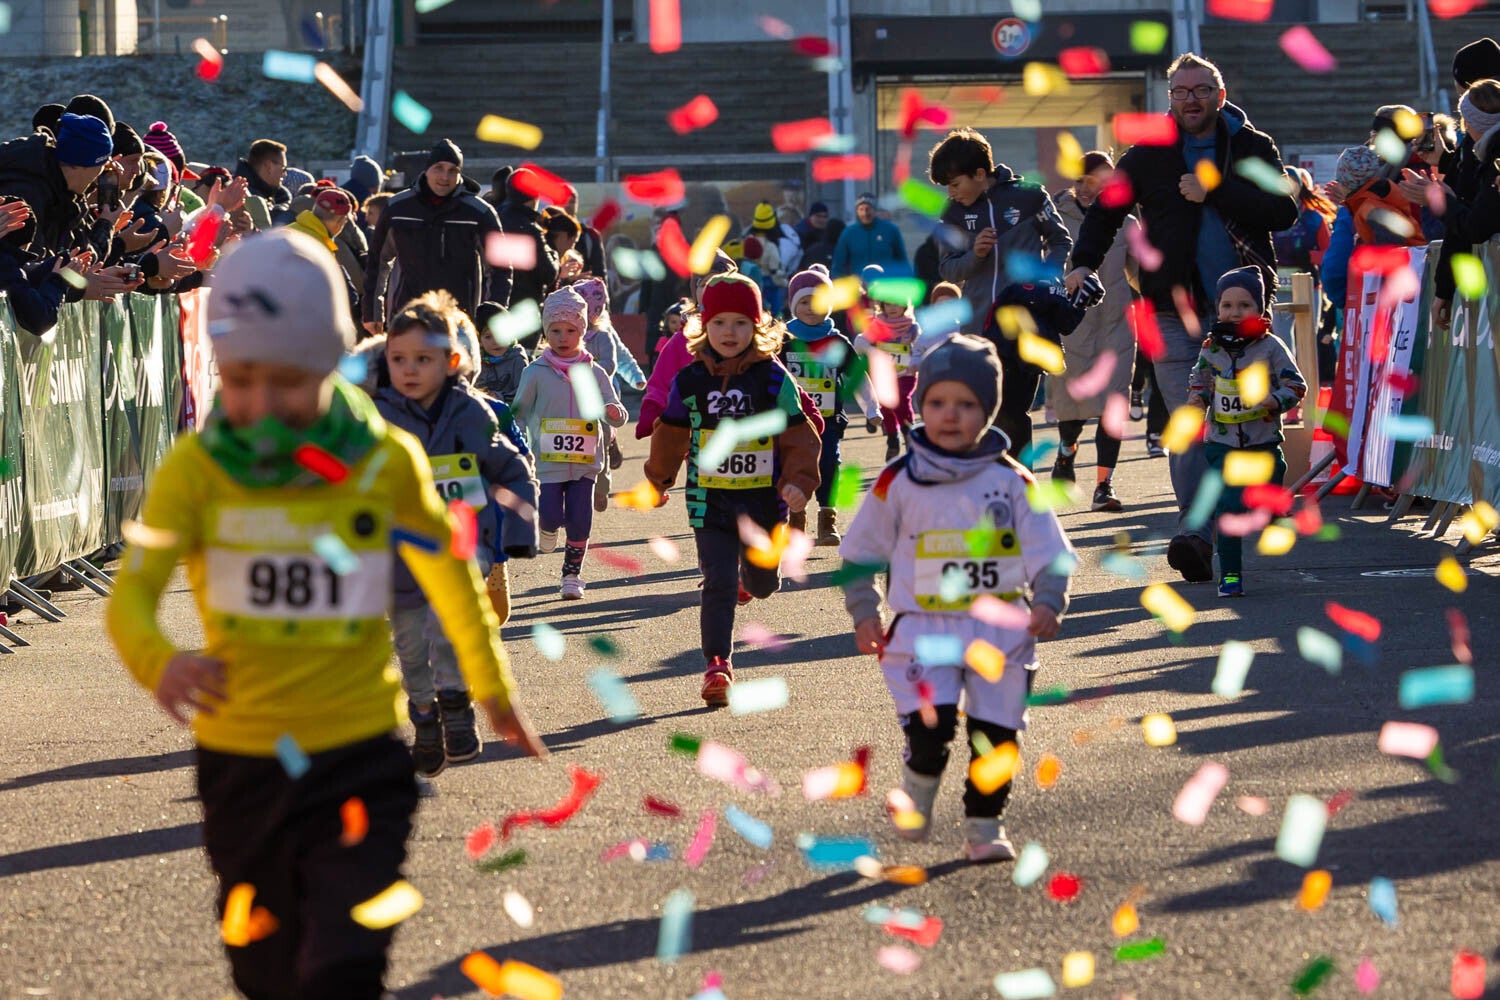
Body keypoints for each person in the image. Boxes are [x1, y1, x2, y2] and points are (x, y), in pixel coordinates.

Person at [104, 230, 546, 1000]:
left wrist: (491, 687)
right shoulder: (198, 470)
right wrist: (160, 661)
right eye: (239, 379)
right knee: (265, 969)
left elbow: (449, 577)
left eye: (288, 380)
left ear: (330, 364)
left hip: (357, 749)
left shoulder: (382, 459)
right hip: (242, 759)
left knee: (345, 962)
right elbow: (131, 599)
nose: (262, 403)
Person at [838, 334, 1073, 862]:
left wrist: (1048, 599)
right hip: (924, 628)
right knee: (932, 725)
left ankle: (985, 826)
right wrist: (864, 611)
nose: (950, 414)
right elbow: (861, 552)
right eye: (938, 402)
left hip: (1001, 629)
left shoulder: (1012, 480)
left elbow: (1048, 548)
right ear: (920, 406)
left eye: (966, 404)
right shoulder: (897, 480)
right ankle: (917, 794)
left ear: (987, 412)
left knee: (997, 735)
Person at [1066, 52, 1298, 584]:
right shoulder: (1148, 154)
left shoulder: (1251, 146)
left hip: (1243, 320)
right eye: (1181, 91)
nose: (1191, 100)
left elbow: (1283, 211)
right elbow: (1106, 212)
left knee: (1242, 420)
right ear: (1169, 98)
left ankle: (1243, 504)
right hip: (1171, 312)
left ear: (1220, 95)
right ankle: (1195, 533)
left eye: (1201, 90)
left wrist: (1216, 189)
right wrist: (1081, 263)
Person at [373, 290, 539, 776]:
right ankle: (425, 715)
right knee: (410, 645)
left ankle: (456, 704)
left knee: (447, 627)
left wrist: (518, 532)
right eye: (398, 359)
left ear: (451, 361)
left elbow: (513, 469)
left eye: (422, 359)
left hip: (463, 546)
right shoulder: (378, 416)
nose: (409, 370)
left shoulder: (472, 412)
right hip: (400, 553)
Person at [644, 273, 821, 707]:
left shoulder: (773, 379)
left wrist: (799, 482)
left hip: (764, 502)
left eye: (740, 323)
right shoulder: (689, 381)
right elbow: (671, 433)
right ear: (703, 326)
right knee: (717, 580)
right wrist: (659, 479)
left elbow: (799, 435)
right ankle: (717, 665)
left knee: (762, 584)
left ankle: (753, 579)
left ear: (758, 327)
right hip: (710, 501)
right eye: (719, 322)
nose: (729, 332)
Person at [1187, 267, 1307, 598]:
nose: (1235, 312)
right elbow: (1200, 380)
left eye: (1245, 305)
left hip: (1263, 441)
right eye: (1227, 305)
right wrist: (1196, 400)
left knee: (1272, 477)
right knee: (1228, 506)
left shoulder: (1271, 347)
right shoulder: (1211, 347)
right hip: (1222, 444)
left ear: (1260, 309)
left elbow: (1296, 385)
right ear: (1217, 308)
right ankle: (1230, 576)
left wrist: (1274, 400)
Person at [510, 286, 629, 600]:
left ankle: (572, 575)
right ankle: (547, 528)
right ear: (546, 332)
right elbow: (518, 412)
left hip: (585, 460)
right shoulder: (535, 372)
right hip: (548, 461)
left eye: (571, 330)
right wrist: (518, 442)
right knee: (550, 513)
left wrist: (614, 412)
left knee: (580, 519)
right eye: (555, 331)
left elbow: (615, 410)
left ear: (583, 331)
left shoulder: (595, 371)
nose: (563, 337)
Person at [1048, 151, 1139, 512]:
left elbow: (1140, 274)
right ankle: (1066, 452)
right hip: (1071, 327)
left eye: (1099, 182)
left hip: (1116, 326)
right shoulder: (1055, 218)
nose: (1090, 189)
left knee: (1114, 405)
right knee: (1072, 409)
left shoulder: (1127, 223)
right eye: (1084, 181)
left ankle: (1104, 486)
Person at [363, 138, 509, 337]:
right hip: (407, 316)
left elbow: (501, 267)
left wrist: (493, 317)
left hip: (459, 320)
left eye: (453, 170)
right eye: (438, 168)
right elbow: (377, 261)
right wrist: (372, 312)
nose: (445, 177)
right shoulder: (398, 208)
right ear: (426, 170)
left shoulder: (479, 212)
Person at [783, 264, 856, 544]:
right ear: (793, 305)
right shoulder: (783, 340)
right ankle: (795, 520)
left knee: (828, 464)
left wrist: (873, 407)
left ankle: (827, 519)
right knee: (792, 466)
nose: (810, 308)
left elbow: (857, 377)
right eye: (803, 302)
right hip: (791, 421)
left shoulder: (838, 341)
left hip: (828, 422)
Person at [864, 285, 924, 462]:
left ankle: (909, 433)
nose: (892, 307)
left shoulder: (912, 327)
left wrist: (916, 361)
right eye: (888, 304)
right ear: (882, 306)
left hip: (905, 373)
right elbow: (865, 342)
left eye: (897, 303)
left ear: (905, 305)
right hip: (883, 374)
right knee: (885, 405)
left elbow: (920, 346)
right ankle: (892, 439)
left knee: (901, 400)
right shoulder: (876, 325)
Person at [496, 168, 560, 317]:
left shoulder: (494, 218)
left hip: (494, 305)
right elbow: (548, 274)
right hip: (524, 310)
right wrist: (554, 255)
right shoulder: (530, 229)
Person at [832, 192, 909, 279]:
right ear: (857, 211)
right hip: (859, 284)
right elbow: (838, 264)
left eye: (868, 209)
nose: (865, 213)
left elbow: (902, 260)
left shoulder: (890, 230)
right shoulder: (849, 233)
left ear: (874, 210)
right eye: (861, 209)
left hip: (885, 282)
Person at [473, 300, 529, 404]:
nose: (495, 341)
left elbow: (525, 392)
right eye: (488, 337)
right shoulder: (476, 360)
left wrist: (500, 397)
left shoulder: (517, 359)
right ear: (480, 341)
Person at [234, 138, 292, 230]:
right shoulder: (244, 197)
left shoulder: (277, 195)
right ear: (268, 166)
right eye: (283, 168)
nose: (285, 174)